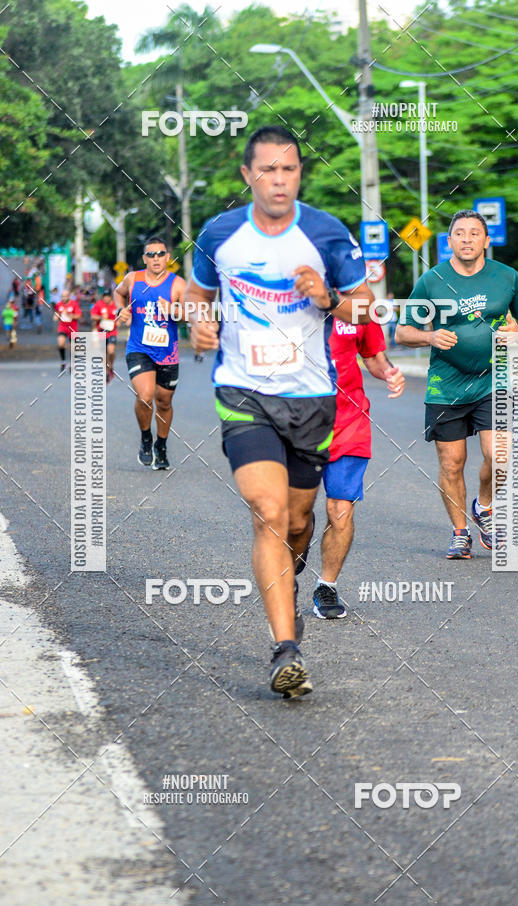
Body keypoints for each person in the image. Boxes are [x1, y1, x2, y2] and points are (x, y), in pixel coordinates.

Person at [186, 124, 373, 698]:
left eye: (288, 169)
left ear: (299, 174)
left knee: (297, 523)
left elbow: (365, 308)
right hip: (244, 392)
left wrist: (328, 298)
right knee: (267, 511)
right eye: (266, 169)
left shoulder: (326, 233)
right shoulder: (219, 233)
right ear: (248, 175)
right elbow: (198, 294)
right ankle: (285, 651)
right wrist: (199, 321)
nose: (278, 179)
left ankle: (286, 580)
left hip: (313, 399)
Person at [395, 209, 518, 559]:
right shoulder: (432, 280)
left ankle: (484, 507)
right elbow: (401, 332)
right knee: (452, 463)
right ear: (449, 241)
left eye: (475, 233)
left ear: (486, 240)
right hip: (446, 387)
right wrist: (429, 337)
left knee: (500, 456)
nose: (468, 239)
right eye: (460, 233)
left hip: (494, 379)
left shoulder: (507, 277)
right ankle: (460, 533)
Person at [312, 317, 405, 620]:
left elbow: (373, 356)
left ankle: (326, 585)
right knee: (293, 516)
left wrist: (389, 372)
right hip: (296, 422)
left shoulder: (357, 306)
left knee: (340, 509)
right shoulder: (286, 294)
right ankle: (298, 535)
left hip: (349, 421)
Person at [114, 237, 187, 470]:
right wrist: (120, 310)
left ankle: (161, 446)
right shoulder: (132, 279)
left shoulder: (178, 284)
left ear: (168, 257)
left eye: (160, 253)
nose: (156, 258)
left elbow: (189, 314)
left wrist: (174, 309)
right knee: (145, 396)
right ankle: (146, 439)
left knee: (164, 402)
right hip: (139, 348)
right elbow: (118, 293)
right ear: (145, 258)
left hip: (167, 352)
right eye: (151, 254)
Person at [91, 290, 119, 382]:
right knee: (103, 353)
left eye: (108, 296)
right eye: (105, 296)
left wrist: (118, 321)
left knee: (111, 351)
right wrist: (100, 317)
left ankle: (111, 365)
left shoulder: (115, 305)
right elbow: (93, 316)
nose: (106, 298)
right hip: (101, 331)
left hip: (112, 331)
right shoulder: (99, 304)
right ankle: (107, 371)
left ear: (111, 297)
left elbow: (120, 316)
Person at [53, 289, 81, 373]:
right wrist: (56, 316)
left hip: (72, 328)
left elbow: (78, 316)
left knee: (73, 348)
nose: (63, 298)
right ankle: (63, 361)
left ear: (69, 296)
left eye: (65, 296)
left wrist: (70, 315)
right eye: (62, 296)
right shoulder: (59, 304)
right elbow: (56, 314)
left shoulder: (74, 304)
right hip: (62, 327)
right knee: (60, 344)